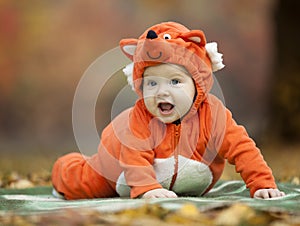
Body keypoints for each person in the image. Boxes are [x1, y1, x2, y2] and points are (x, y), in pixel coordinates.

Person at [52, 21, 285, 199]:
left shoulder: (213, 115)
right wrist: (147, 188)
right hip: (117, 167)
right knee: (85, 183)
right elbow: (134, 155)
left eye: (175, 82)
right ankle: (66, 168)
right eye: (152, 83)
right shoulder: (141, 117)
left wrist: (262, 183)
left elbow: (242, 148)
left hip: (187, 177)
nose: (162, 92)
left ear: (198, 84)